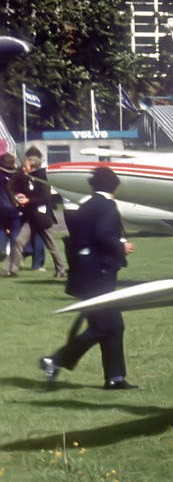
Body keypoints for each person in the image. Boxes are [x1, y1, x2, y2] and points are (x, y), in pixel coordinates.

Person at [40, 166, 137, 390]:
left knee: (111, 325)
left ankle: (115, 378)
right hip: (99, 274)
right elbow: (104, 235)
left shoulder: (86, 206)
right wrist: (123, 247)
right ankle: (55, 360)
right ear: (115, 186)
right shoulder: (107, 206)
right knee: (106, 326)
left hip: (83, 273)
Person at [7, 147, 65, 278]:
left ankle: (60, 270)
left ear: (32, 165)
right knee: (19, 242)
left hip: (42, 217)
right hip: (31, 217)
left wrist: (28, 199)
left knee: (51, 245)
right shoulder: (28, 176)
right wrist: (22, 197)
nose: (23, 167)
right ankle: (13, 270)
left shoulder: (42, 178)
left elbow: (45, 198)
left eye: (26, 165)